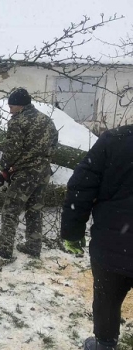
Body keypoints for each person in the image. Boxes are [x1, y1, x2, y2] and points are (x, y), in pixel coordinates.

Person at [61, 125, 133, 350]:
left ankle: (104, 344)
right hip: (113, 241)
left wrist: (72, 233)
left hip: (112, 244)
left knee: (107, 298)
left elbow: (81, 187)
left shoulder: (115, 140)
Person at [0, 88, 58, 259]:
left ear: (19, 106)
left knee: (11, 210)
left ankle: (4, 248)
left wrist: (4, 168)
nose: (10, 110)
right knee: (35, 209)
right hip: (43, 171)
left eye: (12, 106)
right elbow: (54, 144)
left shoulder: (18, 122)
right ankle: (33, 246)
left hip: (25, 173)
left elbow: (12, 149)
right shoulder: (46, 120)